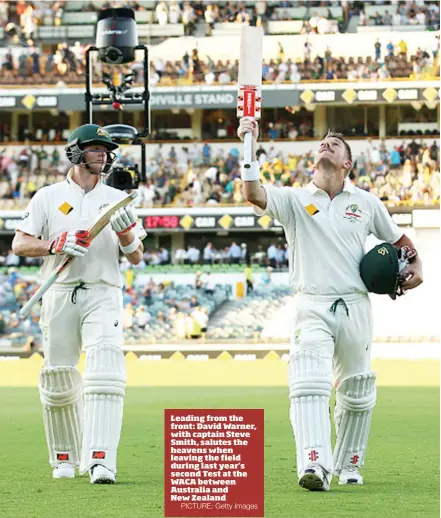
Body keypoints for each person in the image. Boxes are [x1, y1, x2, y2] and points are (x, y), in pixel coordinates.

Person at [237, 118, 423, 491]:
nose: (326, 145)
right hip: (311, 303)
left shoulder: (366, 202)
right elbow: (253, 193)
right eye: (322, 143)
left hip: (355, 304)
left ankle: (349, 464)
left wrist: (416, 268)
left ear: (346, 164)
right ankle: (313, 464)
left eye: (335, 144)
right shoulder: (294, 199)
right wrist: (249, 142)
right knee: (308, 382)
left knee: (356, 390)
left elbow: (402, 242)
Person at [12, 124, 146, 484]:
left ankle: (100, 460)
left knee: (104, 366)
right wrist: (55, 244)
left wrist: (125, 233)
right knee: (58, 376)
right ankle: (64, 458)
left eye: (105, 149)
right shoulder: (48, 196)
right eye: (94, 148)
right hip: (59, 291)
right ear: (75, 151)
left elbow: (135, 256)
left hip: (103, 291)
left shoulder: (117, 199)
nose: (102, 154)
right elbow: (20, 245)